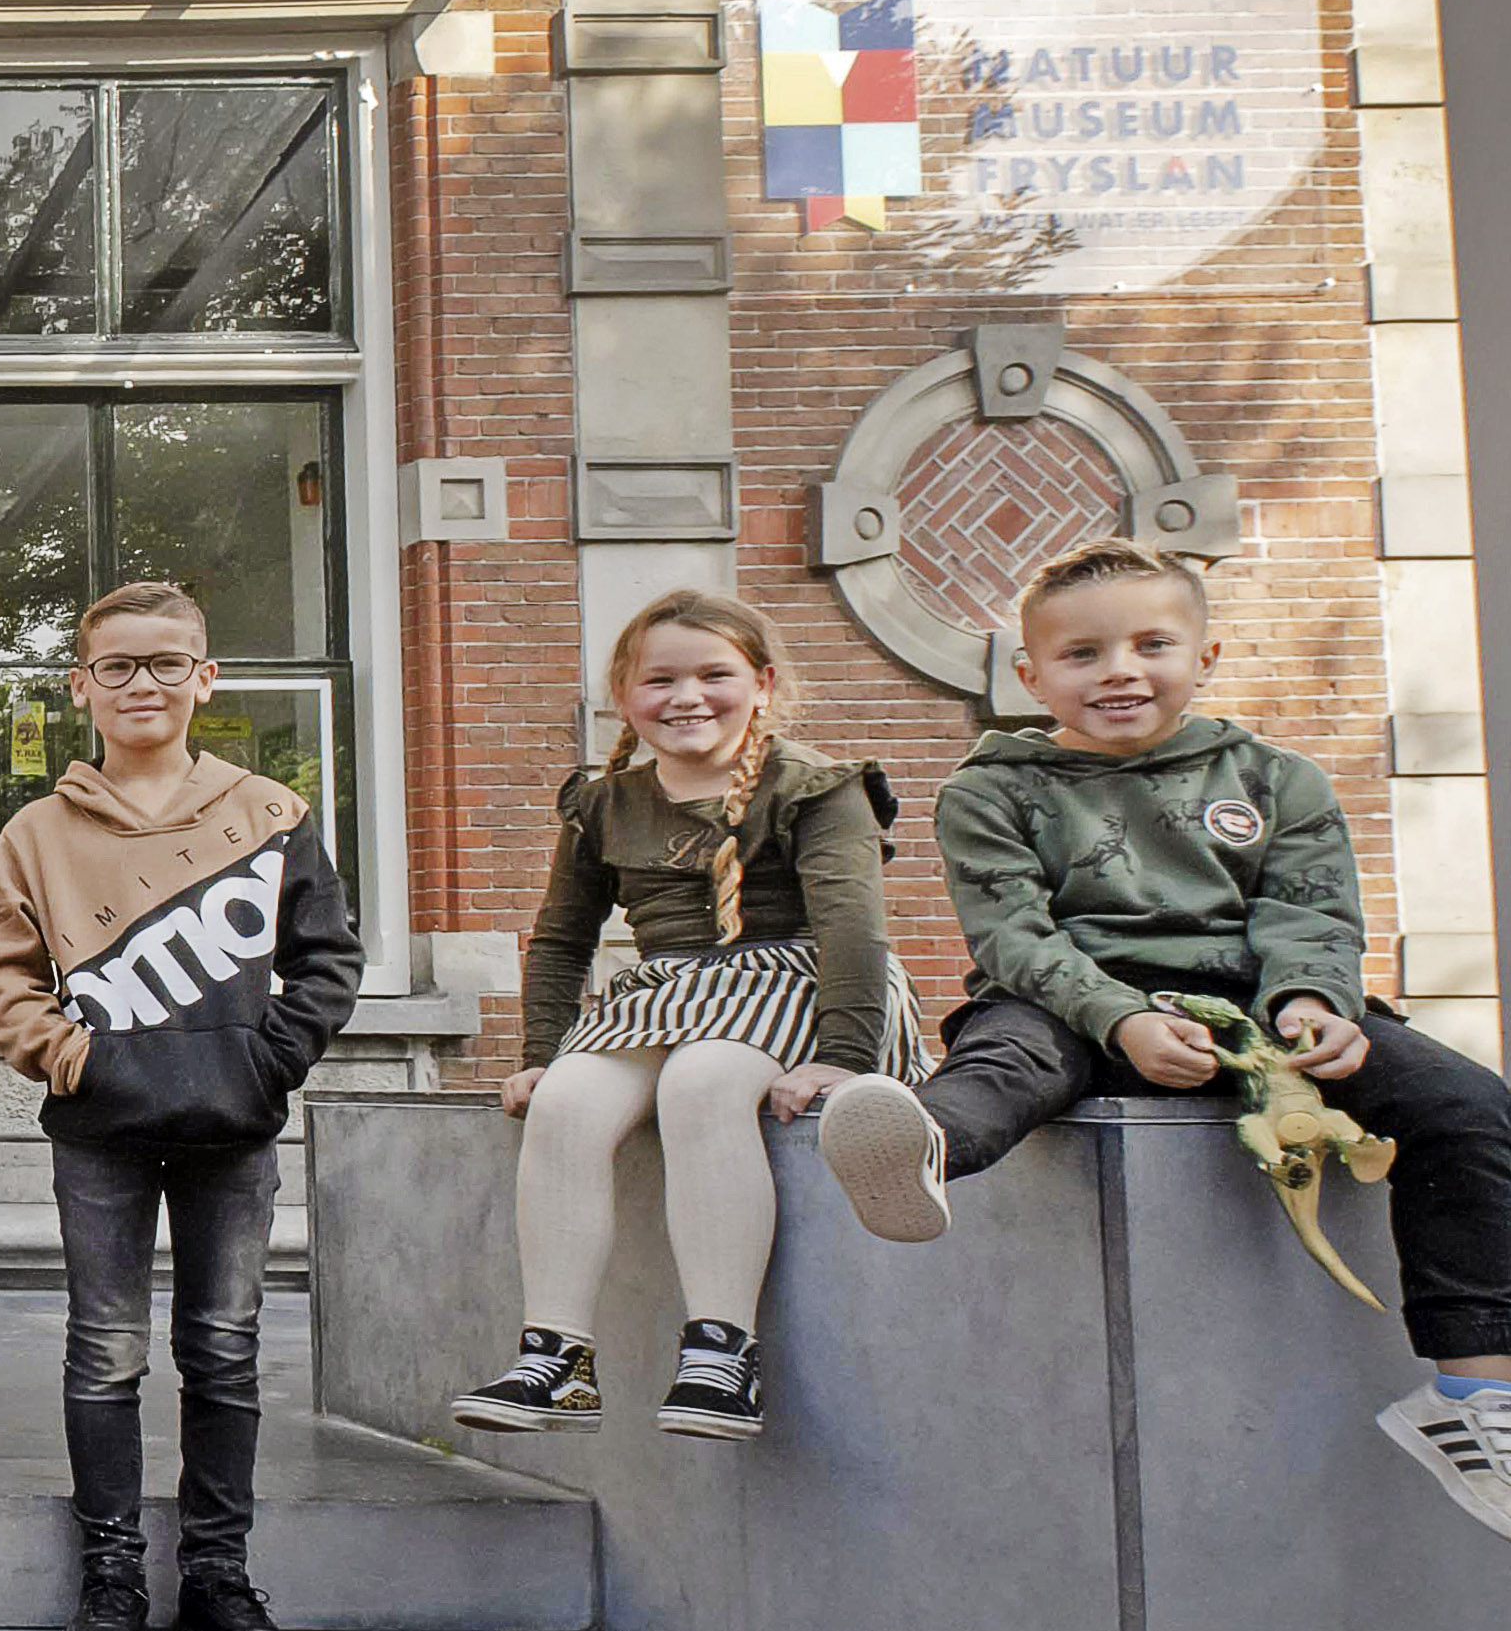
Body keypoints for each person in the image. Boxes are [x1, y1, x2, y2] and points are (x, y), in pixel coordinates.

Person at [818, 537, 1511, 1542]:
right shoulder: (993, 790)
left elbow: (1310, 915)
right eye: (1084, 654)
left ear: (1207, 656)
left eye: (1152, 644)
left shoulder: (1278, 780)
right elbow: (1014, 936)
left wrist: (1312, 1003)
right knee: (1008, 1059)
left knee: (1470, 1105)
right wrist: (1123, 1017)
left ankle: (1474, 1395)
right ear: (1031, 673)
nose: (1120, 672)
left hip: (1255, 1004)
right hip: (1074, 1003)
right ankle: (919, 1145)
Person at [0, 579, 361, 1631]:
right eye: (119, 666)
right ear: (84, 684)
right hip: (100, 1129)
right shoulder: (37, 833)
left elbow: (329, 959)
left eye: (166, 663)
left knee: (224, 1348)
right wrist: (76, 1059)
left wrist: (266, 1059)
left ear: (207, 677)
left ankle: (217, 1581)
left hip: (232, 1127)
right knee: (105, 1347)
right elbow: (3, 978)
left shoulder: (269, 812)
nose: (143, 684)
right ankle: (110, 1576)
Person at [458, 590, 897, 1448]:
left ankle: (721, 1352)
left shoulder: (817, 787)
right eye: (658, 679)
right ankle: (556, 1356)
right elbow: (559, 939)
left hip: (794, 982)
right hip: (664, 995)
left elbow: (853, 929)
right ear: (624, 696)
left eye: (714, 674)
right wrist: (540, 1054)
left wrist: (843, 1057)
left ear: (762, 684)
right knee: (569, 1104)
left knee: (702, 1083)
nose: (685, 696)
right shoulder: (603, 803)